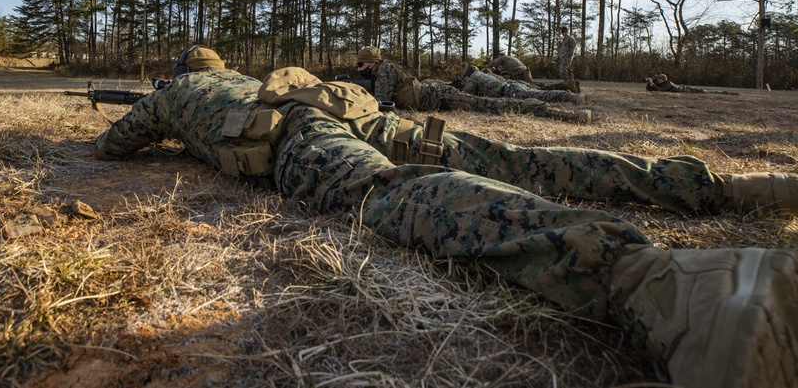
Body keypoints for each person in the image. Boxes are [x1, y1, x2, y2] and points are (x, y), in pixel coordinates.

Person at [95, 45, 798, 388]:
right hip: (353, 108)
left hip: (299, 134)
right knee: (521, 158)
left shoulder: (180, 90)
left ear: (183, 67)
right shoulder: (245, 75)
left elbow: (113, 144)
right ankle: (738, 188)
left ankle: (663, 285)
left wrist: (149, 109)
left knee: (395, 193)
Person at [355, 46, 591, 123]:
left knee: (494, 105)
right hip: (436, 93)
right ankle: (569, 99)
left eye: (361, 65)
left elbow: (380, 104)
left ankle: (567, 114)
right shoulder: (385, 68)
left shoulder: (384, 70)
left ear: (370, 64)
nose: (359, 69)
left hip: (440, 98)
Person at [463, 63, 587, 105]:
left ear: (468, 74)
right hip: (511, 86)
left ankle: (572, 97)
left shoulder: (474, 77)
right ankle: (570, 93)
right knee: (541, 92)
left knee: (541, 95)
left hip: (510, 91)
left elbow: (466, 95)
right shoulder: (483, 74)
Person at [646, 73, 739, 95]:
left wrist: (652, 83)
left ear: (663, 79)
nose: (657, 80)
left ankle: (724, 92)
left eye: (658, 79)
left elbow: (660, 91)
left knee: (705, 92)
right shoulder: (660, 84)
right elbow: (650, 90)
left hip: (686, 89)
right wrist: (649, 83)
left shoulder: (668, 83)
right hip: (683, 89)